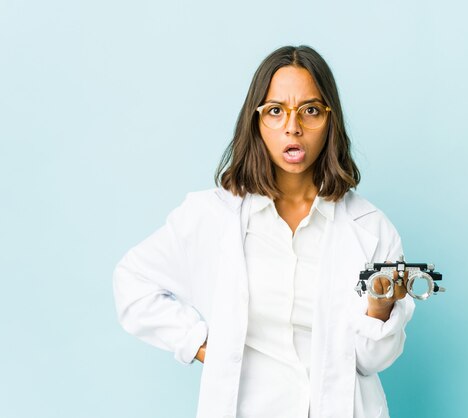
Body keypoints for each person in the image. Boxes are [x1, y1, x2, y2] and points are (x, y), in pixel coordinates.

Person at [113, 45, 415, 418]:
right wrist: (202, 345)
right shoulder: (210, 217)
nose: (293, 127)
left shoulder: (369, 228)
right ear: (255, 121)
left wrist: (380, 308)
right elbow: (133, 282)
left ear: (329, 119)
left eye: (310, 110)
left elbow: (372, 361)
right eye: (275, 111)